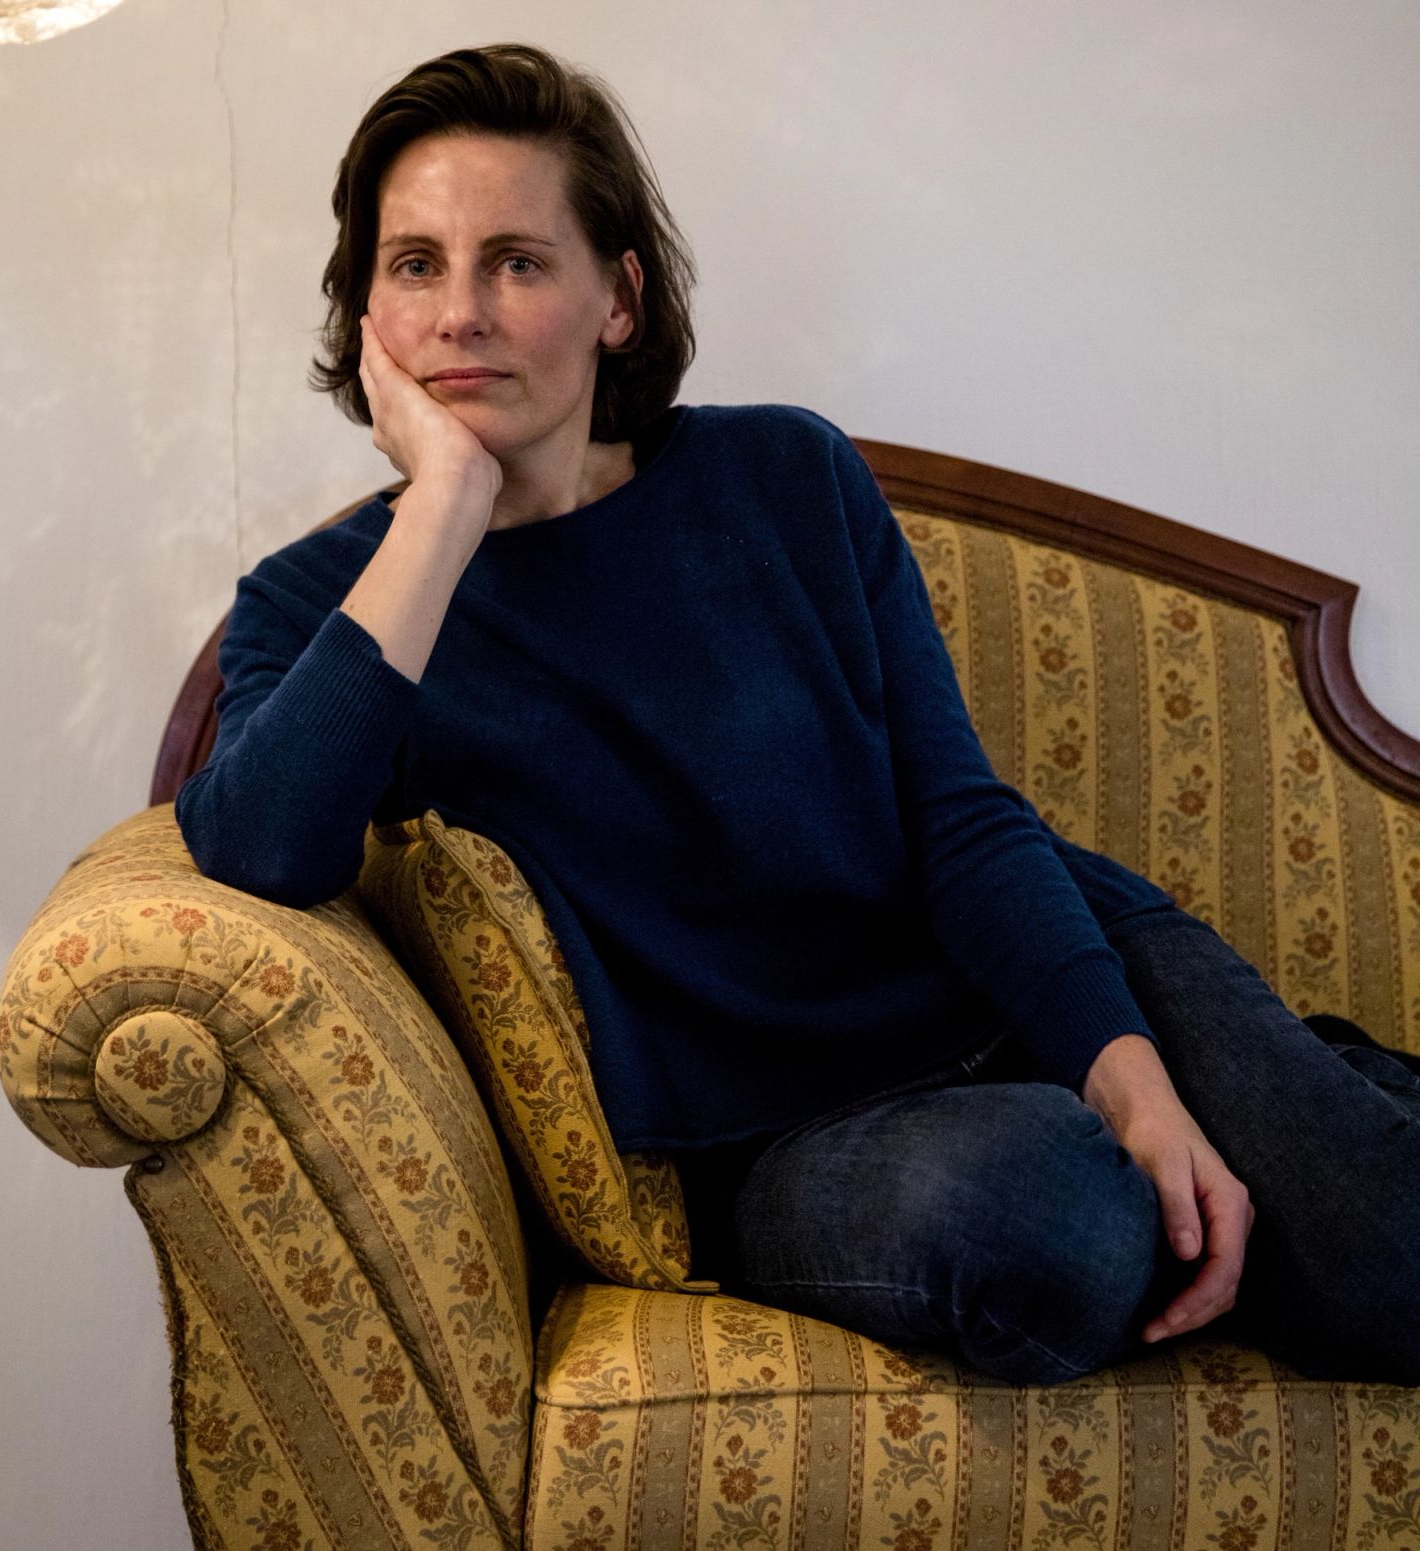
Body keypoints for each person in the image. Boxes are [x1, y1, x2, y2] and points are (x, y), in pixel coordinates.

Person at [175, 41, 1420, 1386]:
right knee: (1051, 1220)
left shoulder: (785, 474)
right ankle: (1336, 1110)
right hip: (781, 1145)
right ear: (366, 309)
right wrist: (445, 510)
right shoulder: (326, 604)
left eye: (518, 263)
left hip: (1045, 979)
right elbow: (261, 846)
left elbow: (962, 822)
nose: (461, 313)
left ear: (617, 300)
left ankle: (1330, 1126)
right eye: (416, 264)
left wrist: (1139, 1085)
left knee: (1393, 1262)